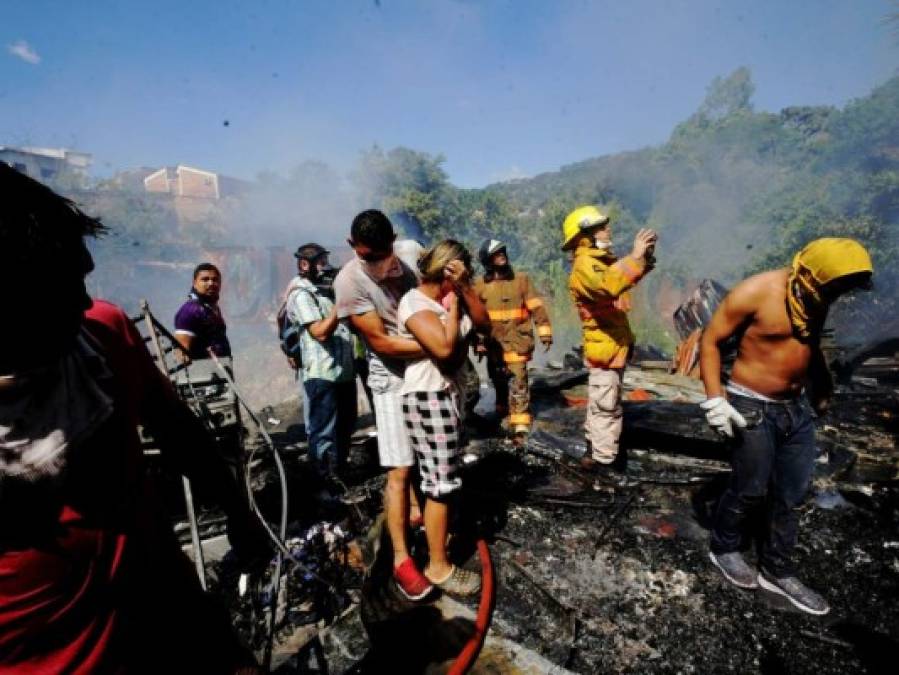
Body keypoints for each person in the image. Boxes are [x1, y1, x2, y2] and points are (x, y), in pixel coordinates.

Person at [0, 163, 264, 672]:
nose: (84, 300)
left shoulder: (103, 334)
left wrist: (237, 509)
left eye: (82, 276)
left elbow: (180, 430)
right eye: (60, 288)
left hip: (173, 612)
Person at [700, 237, 873, 616]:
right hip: (751, 403)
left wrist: (822, 385)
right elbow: (710, 341)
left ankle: (777, 570)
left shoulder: (815, 298)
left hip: (795, 408)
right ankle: (724, 547)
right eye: (834, 289)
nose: (837, 297)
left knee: (792, 493)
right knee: (749, 488)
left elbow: (806, 345)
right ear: (810, 277)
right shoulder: (755, 292)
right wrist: (716, 400)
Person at [333, 211, 438, 599]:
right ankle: (401, 561)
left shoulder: (412, 255)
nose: (377, 264)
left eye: (382, 254)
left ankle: (424, 514)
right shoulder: (348, 282)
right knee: (398, 468)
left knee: (431, 453)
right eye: (367, 256)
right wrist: (440, 346)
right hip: (390, 374)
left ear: (394, 240)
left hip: (427, 366)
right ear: (352, 247)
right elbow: (382, 344)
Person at [397, 240, 489, 596]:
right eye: (461, 274)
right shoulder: (415, 302)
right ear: (446, 271)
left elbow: (483, 325)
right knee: (441, 484)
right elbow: (446, 351)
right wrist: (453, 312)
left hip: (446, 397)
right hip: (428, 397)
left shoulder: (453, 297)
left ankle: (439, 541)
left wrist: (464, 291)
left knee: (442, 476)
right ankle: (438, 567)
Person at [563, 206, 656, 484]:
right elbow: (608, 285)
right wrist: (636, 255)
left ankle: (594, 452)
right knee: (607, 407)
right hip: (604, 346)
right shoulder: (585, 265)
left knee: (602, 402)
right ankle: (604, 467)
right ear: (585, 236)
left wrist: (644, 259)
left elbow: (621, 275)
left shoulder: (598, 261)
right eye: (601, 227)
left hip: (611, 344)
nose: (608, 230)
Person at [283, 243, 356, 482]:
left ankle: (341, 471)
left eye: (326, 261)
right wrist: (341, 305)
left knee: (346, 424)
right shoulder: (301, 294)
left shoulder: (325, 290)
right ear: (305, 265)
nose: (326, 267)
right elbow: (320, 332)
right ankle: (324, 480)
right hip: (322, 373)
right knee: (323, 431)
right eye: (321, 262)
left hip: (344, 371)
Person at [473, 239, 552, 444]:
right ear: (487, 260)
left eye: (502, 251)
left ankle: (520, 425)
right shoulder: (480, 285)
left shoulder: (521, 280)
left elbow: (536, 307)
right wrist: (478, 341)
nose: (501, 255)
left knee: (518, 381)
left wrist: (545, 333)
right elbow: (476, 317)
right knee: (497, 378)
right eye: (496, 253)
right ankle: (501, 409)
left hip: (517, 340)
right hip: (493, 344)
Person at [174, 262, 231, 361]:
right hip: (203, 373)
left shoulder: (211, 308)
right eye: (205, 279)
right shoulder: (190, 311)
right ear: (195, 283)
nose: (211, 283)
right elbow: (181, 354)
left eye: (215, 280)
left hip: (220, 370)